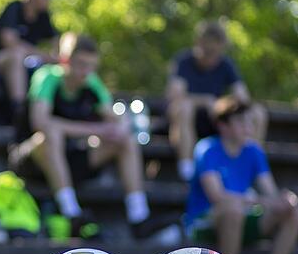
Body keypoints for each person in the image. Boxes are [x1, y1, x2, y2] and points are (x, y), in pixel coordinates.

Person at [9, 35, 178, 242]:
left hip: (70, 160)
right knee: (51, 135)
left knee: (124, 141)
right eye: (80, 65)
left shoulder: (92, 83)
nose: (85, 72)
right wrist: (94, 129)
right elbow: (41, 122)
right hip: (32, 160)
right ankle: (71, 213)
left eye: (91, 66)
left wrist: (117, 128)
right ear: (65, 61)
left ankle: (139, 217)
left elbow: (119, 121)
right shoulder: (47, 77)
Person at [185, 95, 298, 254]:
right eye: (241, 122)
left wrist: (284, 200)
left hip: (242, 215)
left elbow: (270, 193)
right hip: (205, 222)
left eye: (250, 121)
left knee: (293, 209)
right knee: (232, 209)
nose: (249, 127)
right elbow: (218, 197)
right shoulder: (207, 149)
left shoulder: (253, 151)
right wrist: (260, 201)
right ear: (223, 126)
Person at [166, 20, 268, 181]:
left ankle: (251, 164)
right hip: (186, 122)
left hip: (216, 120)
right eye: (208, 52)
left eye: (217, 53)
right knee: (184, 108)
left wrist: (223, 104)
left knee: (258, 112)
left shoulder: (226, 64)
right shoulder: (183, 61)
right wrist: (204, 100)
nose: (213, 58)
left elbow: (243, 98)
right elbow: (174, 97)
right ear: (198, 43)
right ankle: (186, 169)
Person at [0, 0, 59, 117]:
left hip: (25, 64)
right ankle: (19, 111)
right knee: (17, 55)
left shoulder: (43, 16)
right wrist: (43, 55)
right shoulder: (14, 8)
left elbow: (58, 45)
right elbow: (9, 42)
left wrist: (57, 58)